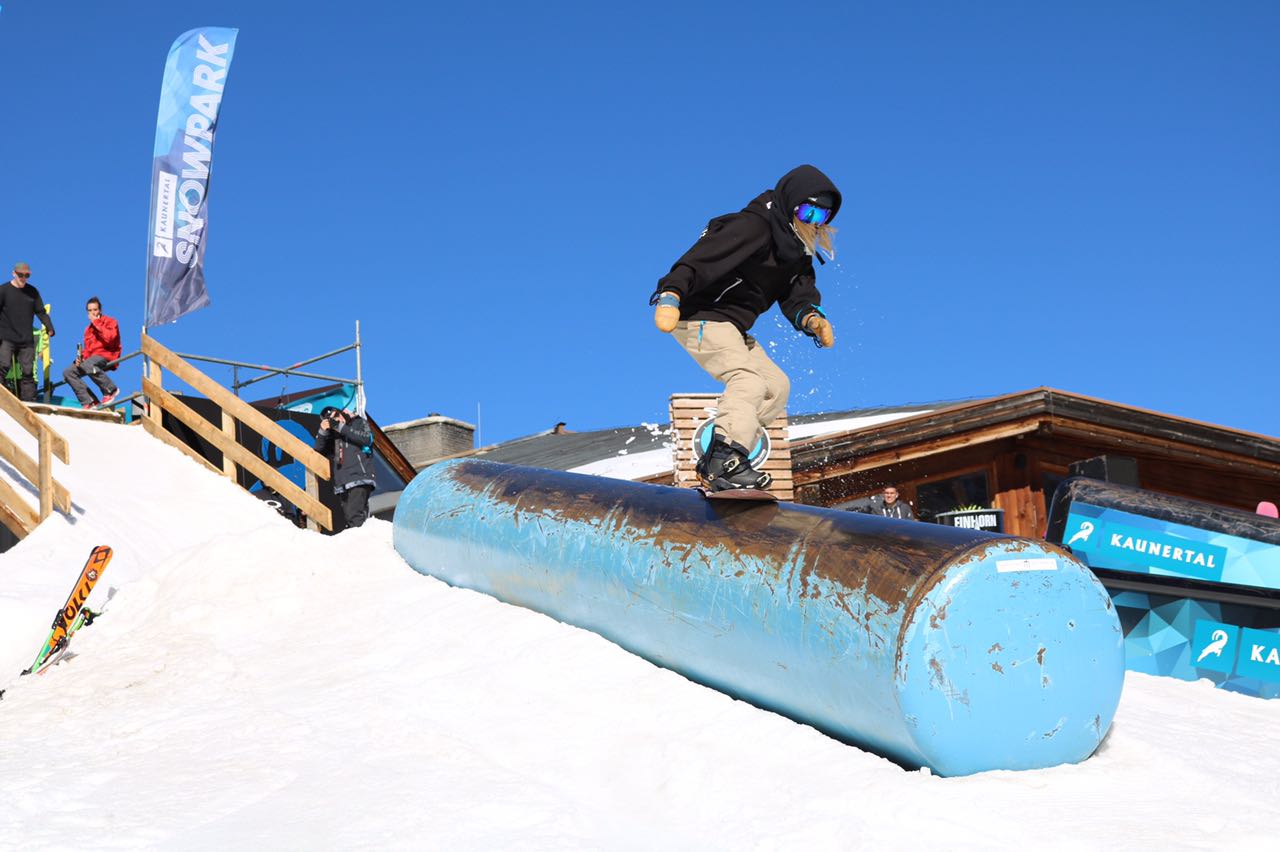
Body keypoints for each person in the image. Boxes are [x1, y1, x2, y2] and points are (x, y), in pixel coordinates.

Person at [651, 165, 840, 491]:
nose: (812, 221)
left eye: (821, 216)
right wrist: (671, 294)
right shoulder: (753, 226)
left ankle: (724, 455)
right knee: (747, 381)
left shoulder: (796, 251)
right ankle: (725, 458)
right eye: (807, 210)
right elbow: (700, 259)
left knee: (776, 387)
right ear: (790, 203)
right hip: (700, 315)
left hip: (732, 327)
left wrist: (812, 318)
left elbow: (797, 295)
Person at [314, 405, 376, 529]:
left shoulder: (358, 422)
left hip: (359, 477)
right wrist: (323, 431)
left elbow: (366, 439)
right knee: (349, 518)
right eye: (331, 419)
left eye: (337, 415)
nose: (336, 420)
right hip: (342, 482)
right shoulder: (334, 436)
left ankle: (363, 543)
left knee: (355, 516)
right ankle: (361, 541)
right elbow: (318, 450)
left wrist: (339, 426)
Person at [0, 262, 55, 402]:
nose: (23, 278)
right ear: (14, 273)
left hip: (26, 340)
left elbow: (41, 312)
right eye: (20, 275)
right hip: (7, 337)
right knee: (3, 365)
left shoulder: (33, 292)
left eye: (27, 275)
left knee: (28, 372)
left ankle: (28, 402)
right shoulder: (4, 290)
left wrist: (49, 327)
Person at [63, 296, 121, 409]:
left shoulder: (110, 321)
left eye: (95, 310)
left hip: (107, 355)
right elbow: (88, 350)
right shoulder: (88, 330)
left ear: (100, 310)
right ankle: (90, 401)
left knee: (88, 364)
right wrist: (79, 359)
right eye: (90, 310)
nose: (93, 313)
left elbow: (110, 338)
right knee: (68, 372)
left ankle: (111, 390)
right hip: (92, 359)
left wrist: (97, 323)